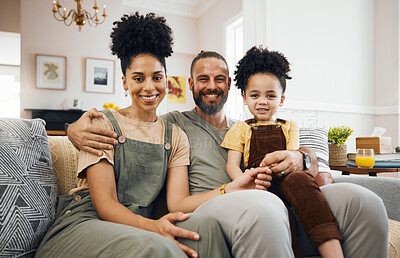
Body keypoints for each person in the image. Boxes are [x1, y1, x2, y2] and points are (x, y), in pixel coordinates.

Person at [68, 50, 389, 257]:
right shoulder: (172, 125)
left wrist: (302, 158)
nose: (211, 85)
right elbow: (134, 127)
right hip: (218, 207)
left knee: (363, 202)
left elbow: (313, 161)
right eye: (203, 79)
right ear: (191, 84)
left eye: (219, 79)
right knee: (264, 206)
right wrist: (74, 129)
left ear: (230, 83)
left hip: (275, 198)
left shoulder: (251, 125)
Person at [35, 12, 233, 258]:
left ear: (166, 80)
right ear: (125, 82)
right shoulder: (102, 123)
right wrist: (153, 227)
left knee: (207, 228)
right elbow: (105, 204)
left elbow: (177, 202)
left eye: (157, 77)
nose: (149, 87)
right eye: (138, 78)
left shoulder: (175, 135)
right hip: (88, 222)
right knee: (158, 246)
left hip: (138, 224)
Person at [221, 46, 343, 257]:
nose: (262, 101)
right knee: (278, 214)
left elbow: (293, 158)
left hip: (287, 179)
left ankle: (333, 252)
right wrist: (247, 184)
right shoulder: (240, 129)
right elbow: (232, 164)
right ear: (244, 98)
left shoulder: (290, 126)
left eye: (270, 95)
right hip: (259, 183)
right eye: (254, 95)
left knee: (300, 182)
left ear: (281, 99)